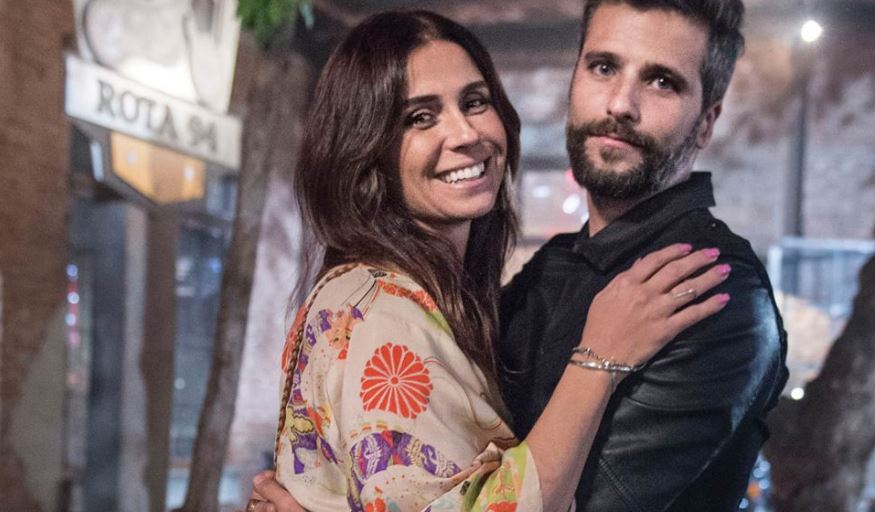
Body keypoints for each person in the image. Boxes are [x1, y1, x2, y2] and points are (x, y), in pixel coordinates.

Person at [245, 9, 732, 512]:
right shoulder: (380, 309)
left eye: (474, 102)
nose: (465, 134)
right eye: (420, 117)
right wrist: (598, 359)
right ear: (367, 153)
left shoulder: (467, 294)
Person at [498, 0, 788, 510]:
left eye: (661, 82)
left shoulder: (714, 290)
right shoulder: (555, 262)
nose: (620, 104)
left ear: (706, 123)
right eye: (603, 67)